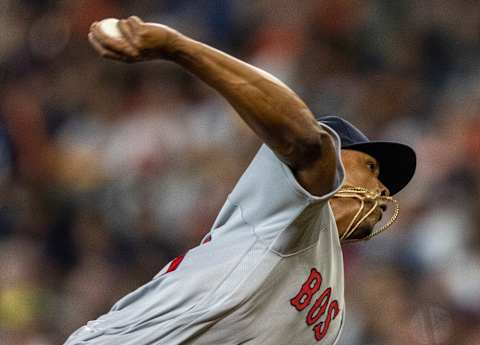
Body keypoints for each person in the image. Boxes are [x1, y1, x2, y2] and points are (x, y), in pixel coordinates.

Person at [65, 16, 416, 345]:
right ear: (337, 158)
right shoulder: (294, 202)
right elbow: (306, 141)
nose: (383, 188)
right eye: (371, 167)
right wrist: (176, 46)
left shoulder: (336, 306)